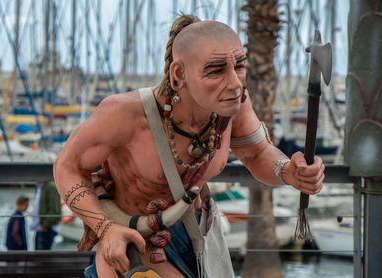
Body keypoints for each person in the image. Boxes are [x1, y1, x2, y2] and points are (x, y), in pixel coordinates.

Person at [54, 14, 325, 278]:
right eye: (216, 70)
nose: (235, 83)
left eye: (239, 66)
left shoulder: (233, 104)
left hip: (200, 237)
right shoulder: (123, 114)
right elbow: (67, 167)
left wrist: (288, 171)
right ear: (178, 74)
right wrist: (105, 229)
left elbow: (256, 153)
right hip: (137, 246)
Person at [30, 180, 62, 250]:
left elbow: (54, 210)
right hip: (40, 227)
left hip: (46, 229)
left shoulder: (51, 187)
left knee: (42, 257)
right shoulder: (40, 187)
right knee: (38, 255)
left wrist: (44, 225)